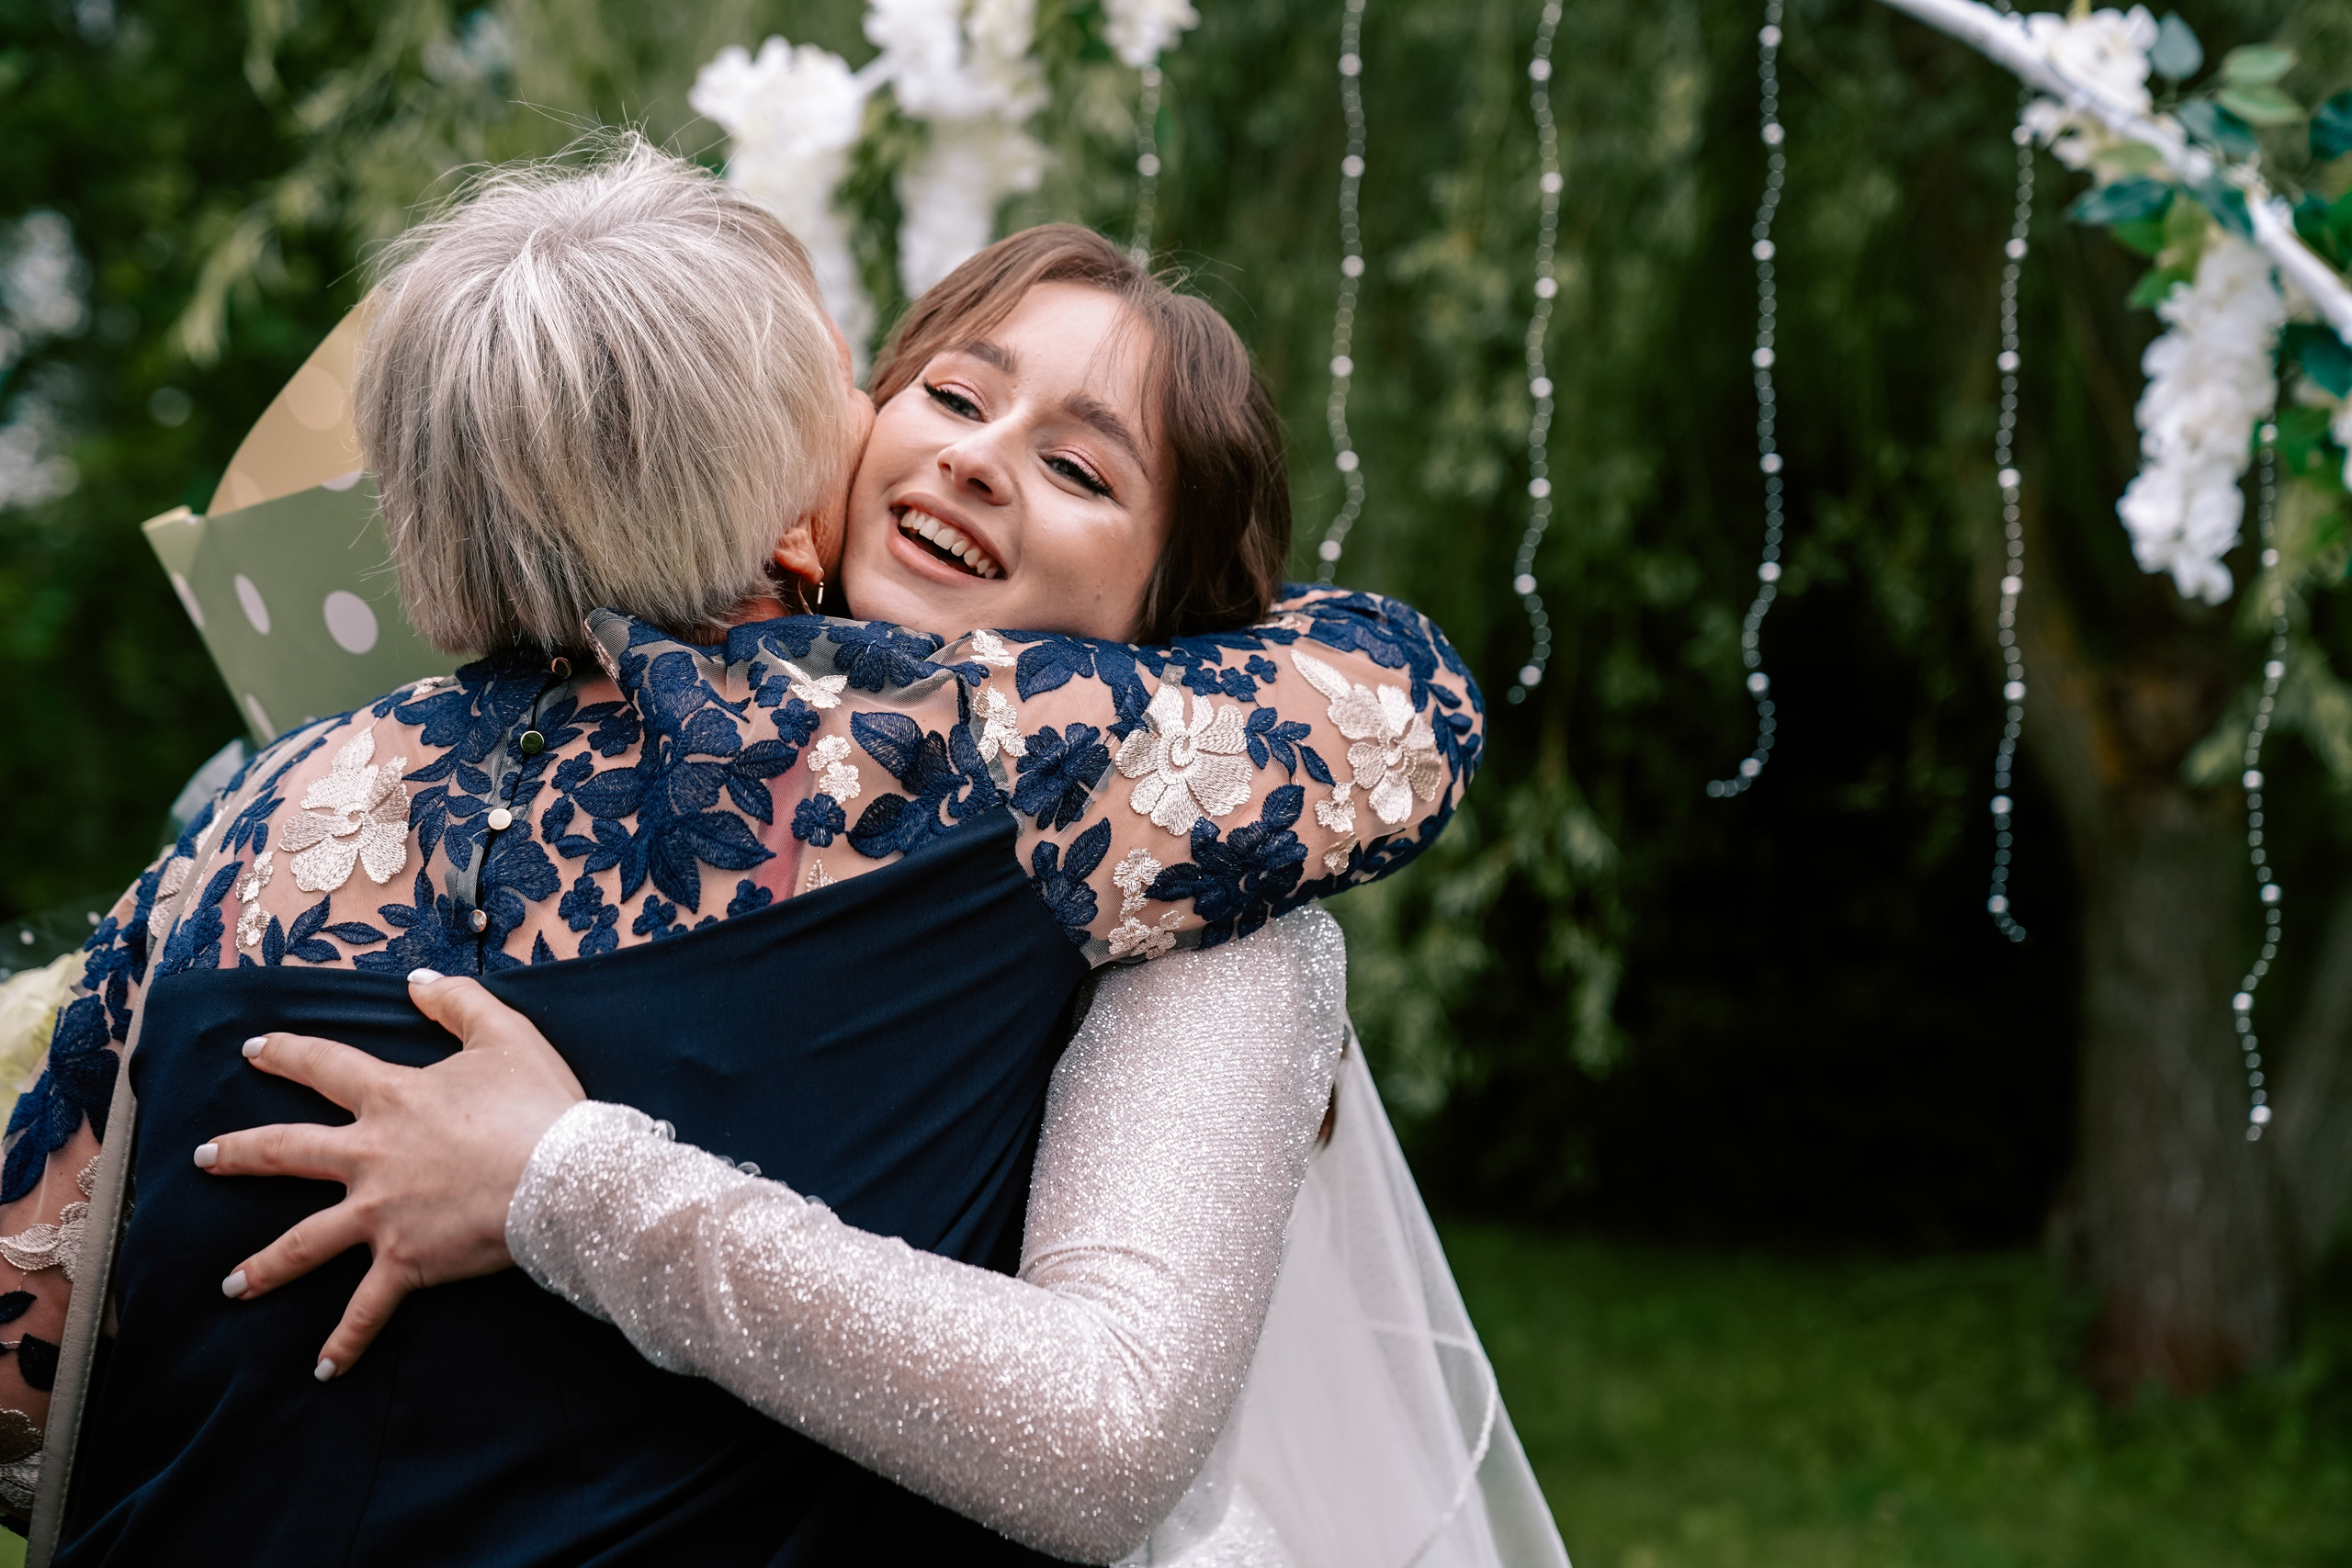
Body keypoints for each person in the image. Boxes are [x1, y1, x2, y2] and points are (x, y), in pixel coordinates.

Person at [0, 142, 1540, 1565]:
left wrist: (560, 1182)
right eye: (947, 394)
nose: (982, 460)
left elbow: (26, 1378)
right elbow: (1399, 694)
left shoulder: (257, 815)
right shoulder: (1018, 766)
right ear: (805, 472)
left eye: (1082, 469)